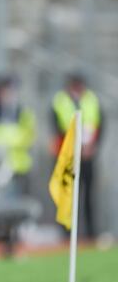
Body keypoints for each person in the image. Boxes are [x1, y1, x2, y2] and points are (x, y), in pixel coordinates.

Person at [50, 72, 103, 239]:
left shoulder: (91, 99)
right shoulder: (60, 100)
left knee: (88, 195)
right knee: (67, 194)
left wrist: (92, 146)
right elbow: (57, 126)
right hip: (68, 156)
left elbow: (100, 123)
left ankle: (91, 233)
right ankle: (66, 233)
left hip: (87, 155)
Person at [0, 75, 36, 195]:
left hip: (19, 169)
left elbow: (28, 136)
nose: (6, 94)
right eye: (2, 91)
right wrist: (11, 135)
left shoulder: (23, 112)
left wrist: (2, 136)